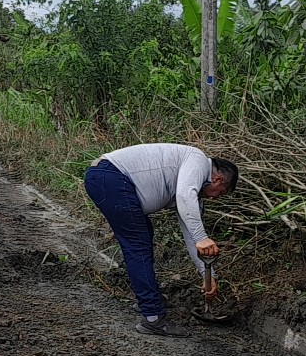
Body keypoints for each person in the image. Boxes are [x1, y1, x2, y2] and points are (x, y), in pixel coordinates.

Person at [84, 144, 239, 336]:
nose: (215, 198)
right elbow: (185, 198)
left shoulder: (191, 193)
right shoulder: (197, 161)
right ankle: (152, 318)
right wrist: (202, 238)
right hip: (110, 177)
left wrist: (208, 275)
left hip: (108, 178)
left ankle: (150, 301)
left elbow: (192, 237)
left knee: (142, 236)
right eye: (220, 193)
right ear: (218, 179)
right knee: (138, 245)